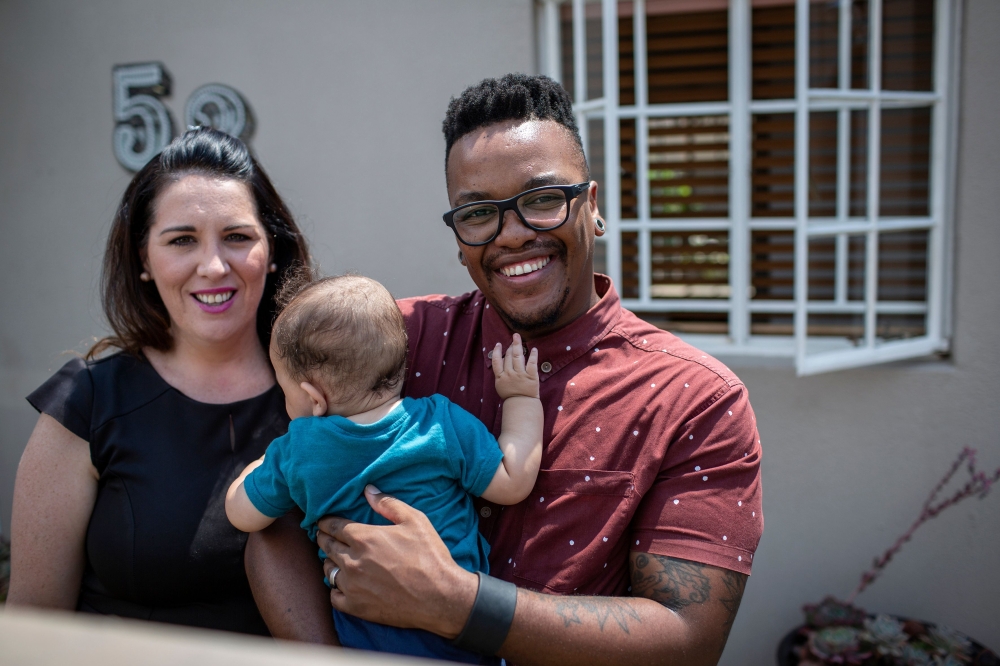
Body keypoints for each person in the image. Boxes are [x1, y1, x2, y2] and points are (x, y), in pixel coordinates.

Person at [247, 73, 764, 665]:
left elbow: (687, 640)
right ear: (458, 234)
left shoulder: (693, 398)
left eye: (542, 201)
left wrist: (458, 603)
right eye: (478, 214)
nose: (512, 235)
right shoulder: (392, 341)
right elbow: (275, 519)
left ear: (592, 208)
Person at [8, 128, 313, 635]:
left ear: (272, 250)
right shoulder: (87, 403)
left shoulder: (328, 394)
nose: (213, 266)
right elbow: (32, 627)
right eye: (181, 240)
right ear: (144, 259)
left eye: (237, 237)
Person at [225, 274, 543, 663]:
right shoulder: (440, 425)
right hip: (462, 641)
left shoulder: (297, 451)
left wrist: (258, 465)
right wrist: (521, 397)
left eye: (285, 390)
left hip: (365, 646)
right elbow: (513, 480)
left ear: (313, 398)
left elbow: (242, 515)